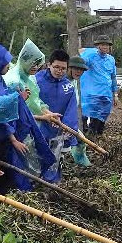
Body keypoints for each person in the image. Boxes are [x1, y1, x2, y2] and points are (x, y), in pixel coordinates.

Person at [0, 44, 53, 191]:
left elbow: (6, 102)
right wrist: (13, 139)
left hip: (4, 138)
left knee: (8, 175)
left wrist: (19, 98)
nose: (8, 66)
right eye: (5, 63)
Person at [35, 49, 80, 179]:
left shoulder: (68, 86)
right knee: (36, 158)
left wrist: (69, 129)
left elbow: (71, 110)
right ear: (49, 65)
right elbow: (31, 103)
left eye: (63, 68)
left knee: (56, 160)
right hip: (38, 128)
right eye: (56, 67)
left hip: (59, 130)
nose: (59, 71)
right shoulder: (36, 81)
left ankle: (52, 183)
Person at [78, 36, 120, 136]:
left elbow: (113, 77)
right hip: (91, 94)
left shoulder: (111, 59)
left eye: (107, 45)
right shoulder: (91, 56)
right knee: (84, 114)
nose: (105, 47)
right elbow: (82, 62)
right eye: (102, 44)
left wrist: (115, 94)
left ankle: (95, 136)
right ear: (98, 46)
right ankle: (83, 135)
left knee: (101, 117)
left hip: (105, 94)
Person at [67, 55, 92, 167]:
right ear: (69, 68)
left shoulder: (74, 81)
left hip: (70, 121)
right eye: (76, 69)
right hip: (59, 121)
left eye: (81, 70)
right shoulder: (63, 82)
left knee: (81, 141)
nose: (79, 72)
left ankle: (81, 163)